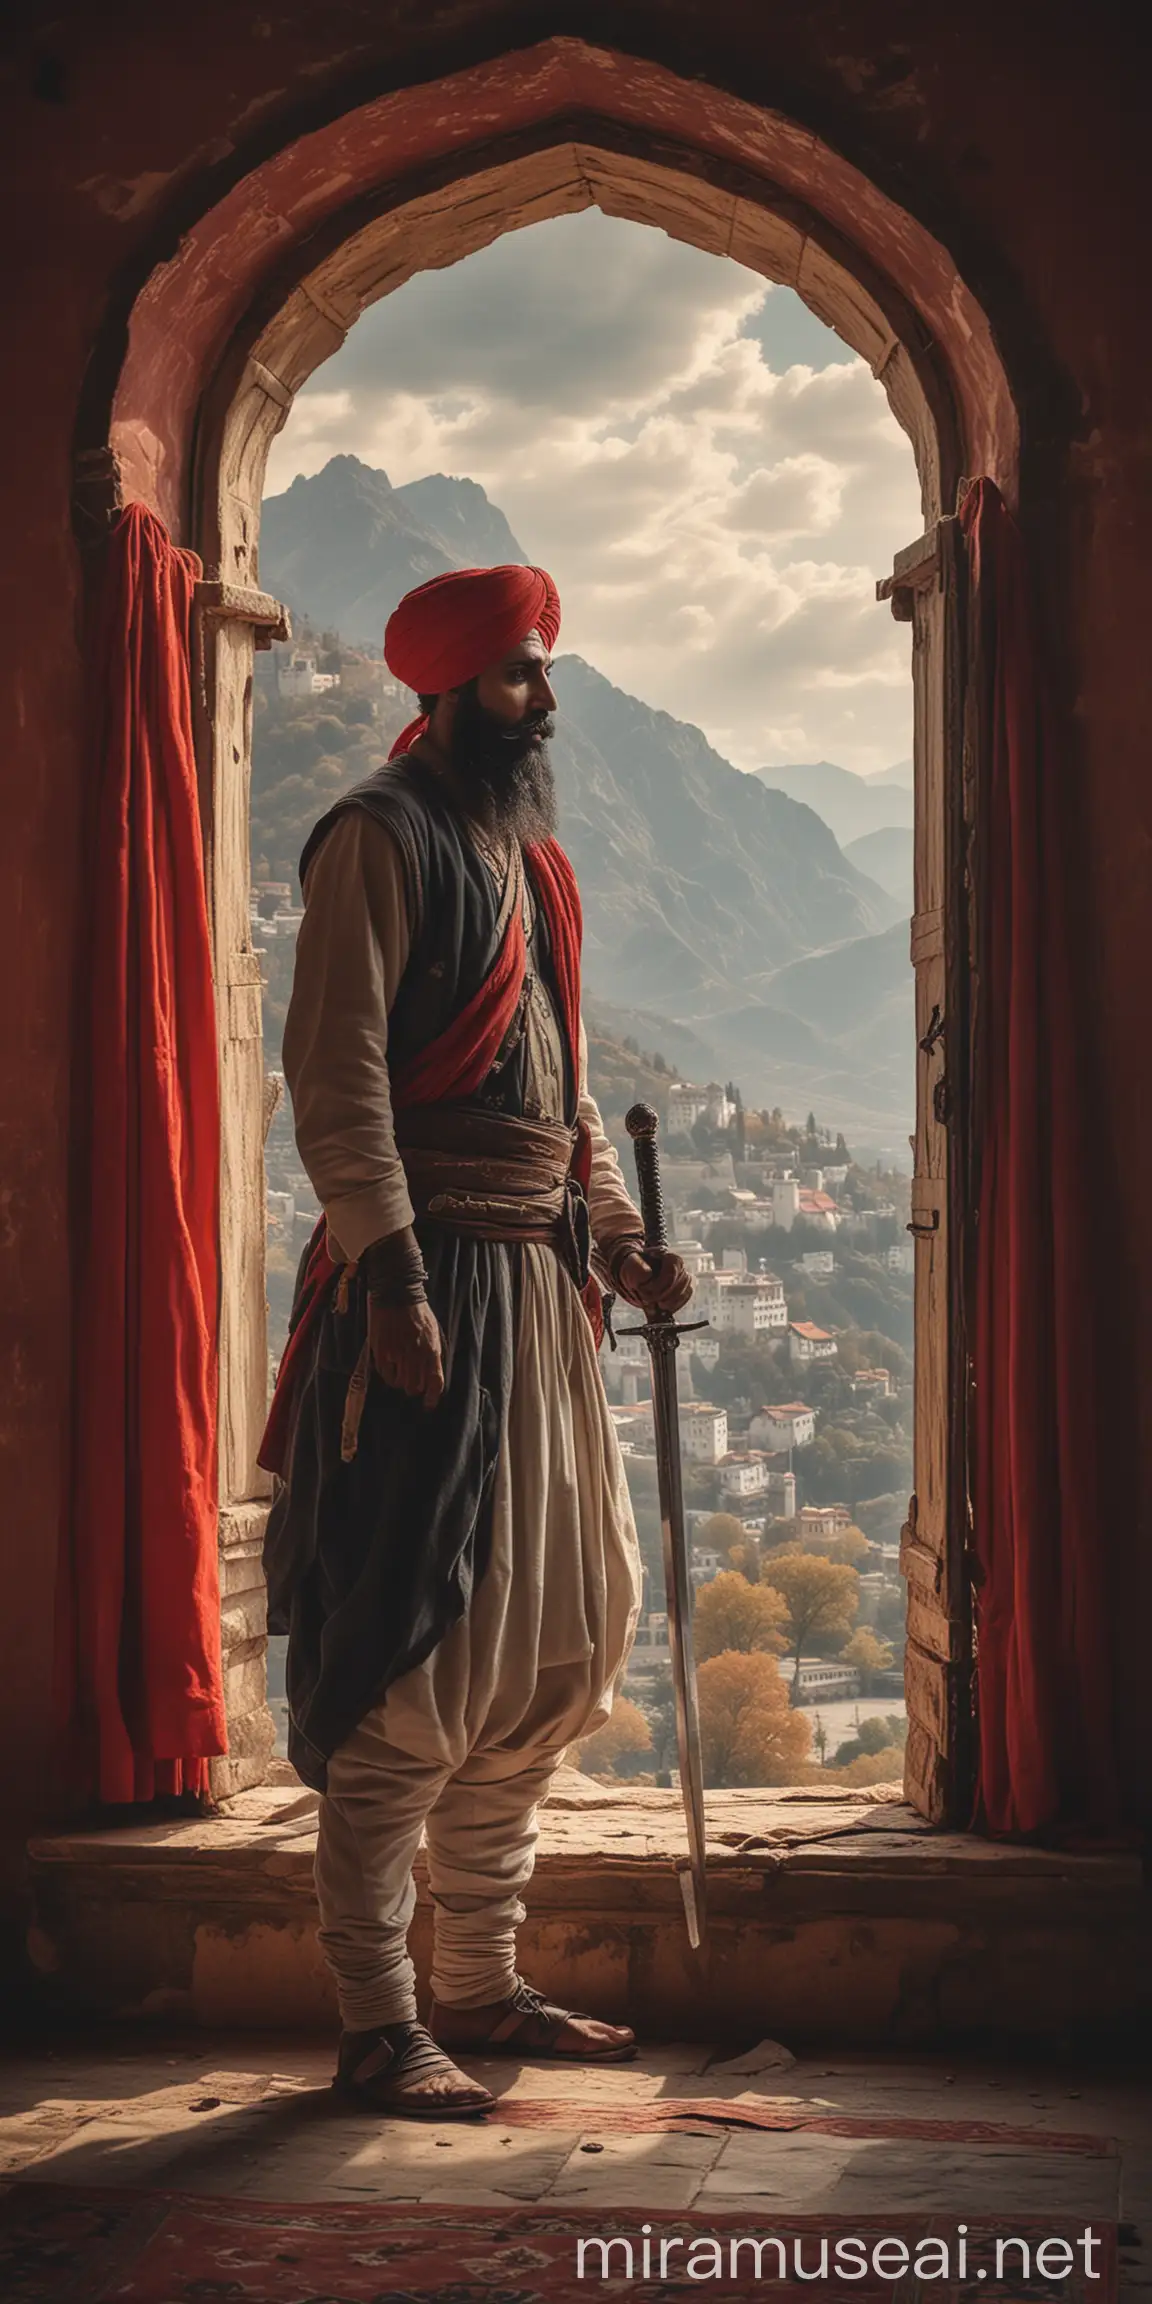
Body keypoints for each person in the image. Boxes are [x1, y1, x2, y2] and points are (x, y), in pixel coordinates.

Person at [261, 564, 692, 2118]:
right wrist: (389, 1285)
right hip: (431, 1295)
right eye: (516, 675)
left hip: (545, 1295)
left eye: (542, 671)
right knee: (418, 1655)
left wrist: (629, 1247)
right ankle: (379, 2018)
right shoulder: (375, 839)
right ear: (440, 695)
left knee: (557, 1638)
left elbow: (564, 1097)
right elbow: (340, 1078)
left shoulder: (537, 867)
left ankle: (480, 1982)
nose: (544, 699)